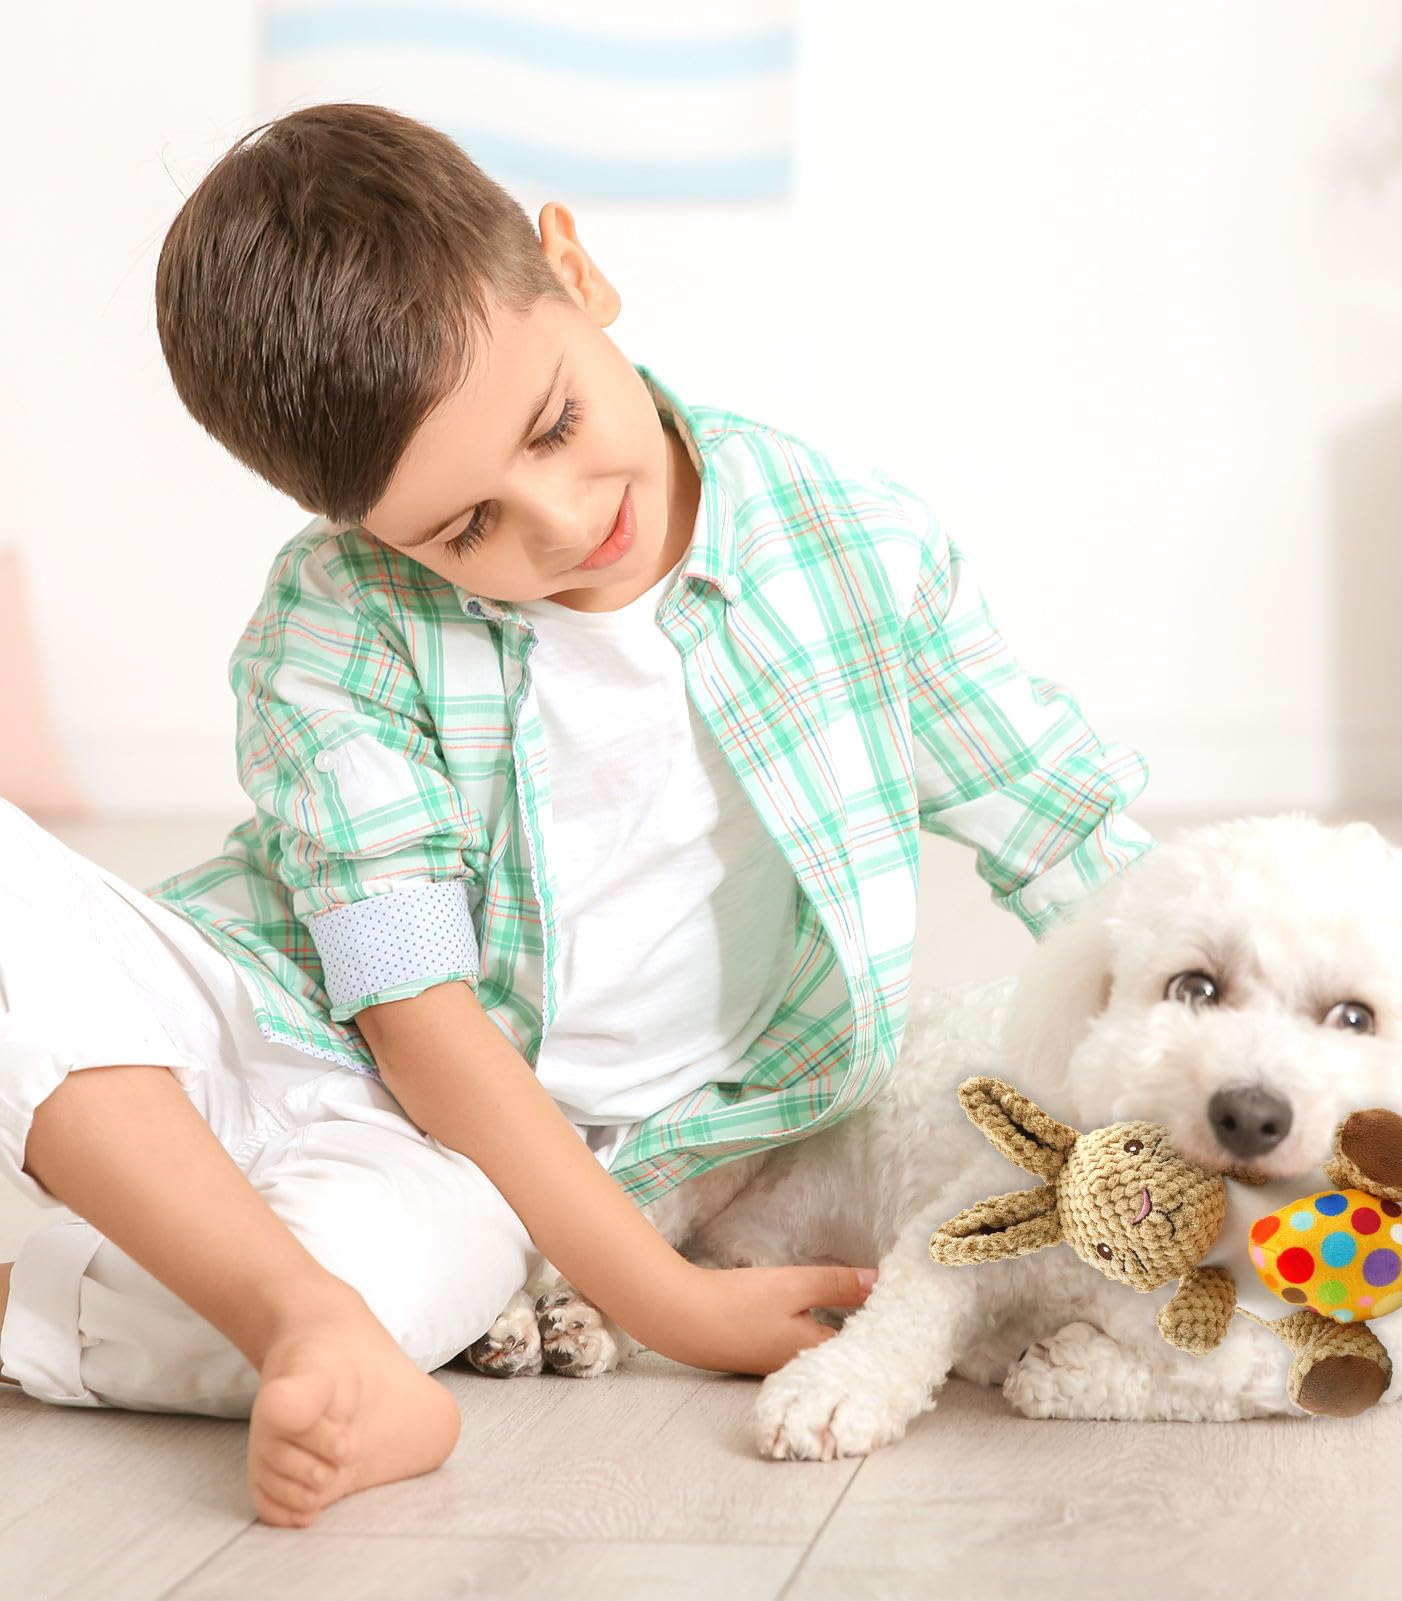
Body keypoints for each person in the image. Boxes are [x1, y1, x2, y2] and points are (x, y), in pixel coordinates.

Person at [0, 102, 1152, 1528]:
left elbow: (1069, 829)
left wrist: (1265, 1058)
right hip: (283, 1016)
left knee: (383, 1293)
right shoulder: (334, 625)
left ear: (573, 268)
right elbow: (414, 1014)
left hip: (475, 1169)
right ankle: (275, 1293)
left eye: (552, 423)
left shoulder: (852, 548)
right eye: (463, 529)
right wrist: (663, 1297)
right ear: (363, 531)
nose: (555, 518)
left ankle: (291, 1312)